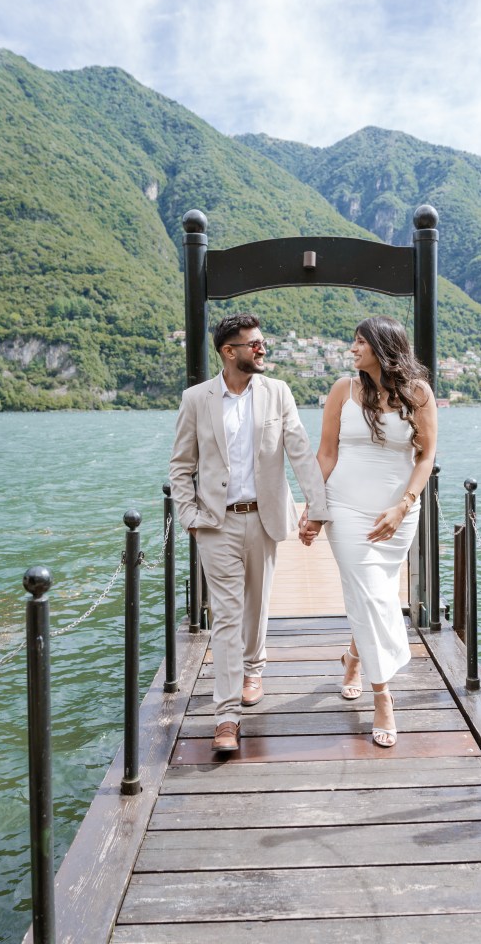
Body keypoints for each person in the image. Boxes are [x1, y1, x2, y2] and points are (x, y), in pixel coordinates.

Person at [169, 313, 328, 752]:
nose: (262, 349)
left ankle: (254, 668)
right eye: (253, 344)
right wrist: (189, 516)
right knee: (225, 616)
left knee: (256, 605)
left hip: (264, 518)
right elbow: (181, 465)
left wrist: (318, 508)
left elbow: (299, 452)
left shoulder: (278, 393)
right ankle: (226, 716)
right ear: (228, 351)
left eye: (262, 342)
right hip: (215, 524)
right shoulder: (197, 399)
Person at [301, 316, 437, 747]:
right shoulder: (344, 389)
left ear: (383, 346)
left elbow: (426, 458)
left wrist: (403, 506)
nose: (352, 348)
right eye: (353, 341)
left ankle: (355, 657)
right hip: (345, 507)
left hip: (396, 513)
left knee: (371, 594)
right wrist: (314, 509)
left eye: (360, 341)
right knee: (373, 594)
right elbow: (325, 453)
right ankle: (383, 697)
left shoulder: (418, 393)